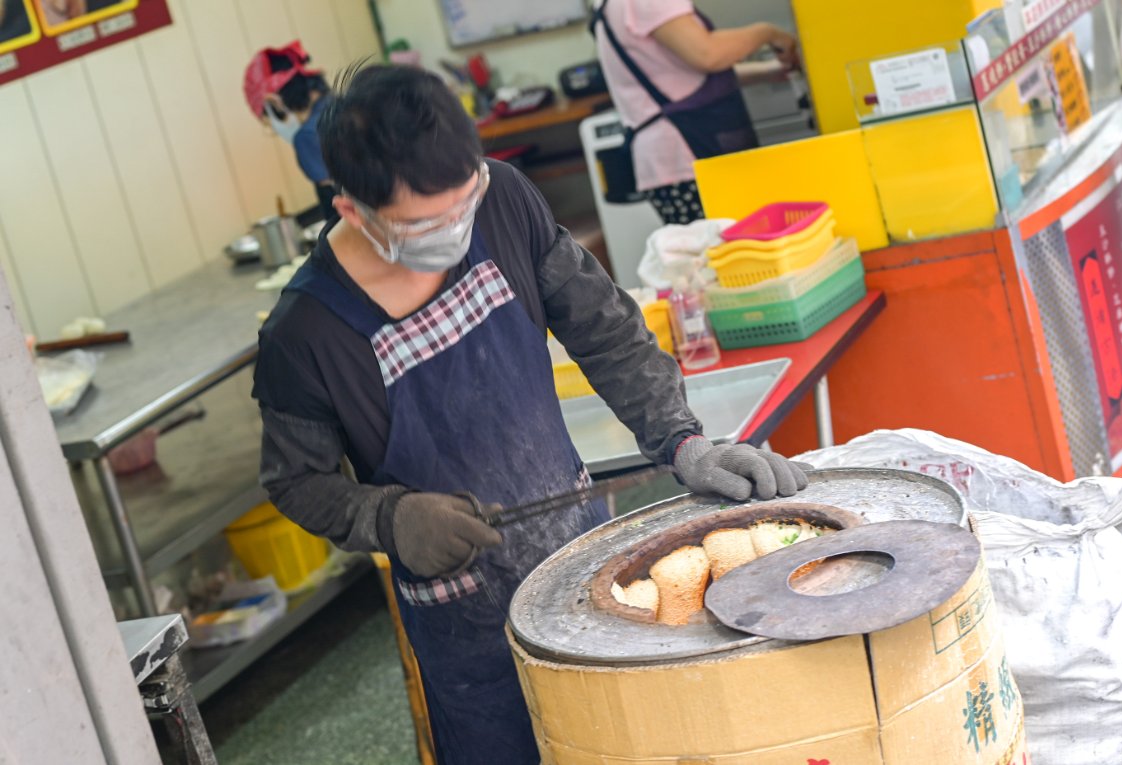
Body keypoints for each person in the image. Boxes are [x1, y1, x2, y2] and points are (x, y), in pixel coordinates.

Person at [251, 64, 808, 765]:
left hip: (582, 553)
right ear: (350, 209)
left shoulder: (504, 201)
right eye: (427, 223)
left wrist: (681, 439)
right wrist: (390, 519)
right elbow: (296, 482)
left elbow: (604, 329)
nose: (457, 230)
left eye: (465, 202)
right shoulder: (304, 335)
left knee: (626, 741)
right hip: (465, 614)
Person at [591, 0, 798, 225]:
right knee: (734, 250)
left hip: (671, 161)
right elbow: (707, 54)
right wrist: (767, 33)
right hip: (688, 158)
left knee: (717, 253)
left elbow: (682, 80)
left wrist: (768, 72)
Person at [243, 41, 337, 220]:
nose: (275, 127)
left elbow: (341, 209)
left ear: (274, 101)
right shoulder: (345, 104)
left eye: (269, 118)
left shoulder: (307, 138)